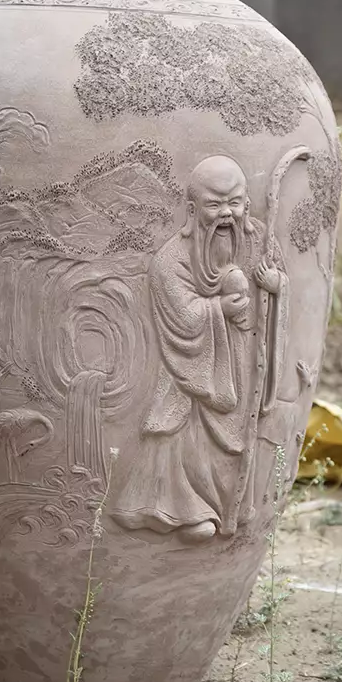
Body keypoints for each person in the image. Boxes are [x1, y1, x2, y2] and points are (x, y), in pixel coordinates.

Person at [107, 155, 286, 543]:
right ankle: (180, 511)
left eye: (235, 202)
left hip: (240, 367)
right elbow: (183, 316)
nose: (226, 214)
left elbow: (274, 292)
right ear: (191, 209)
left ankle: (230, 511)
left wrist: (275, 286)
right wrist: (217, 309)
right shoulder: (170, 260)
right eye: (214, 204)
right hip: (193, 369)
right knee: (174, 425)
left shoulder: (254, 240)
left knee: (236, 441)